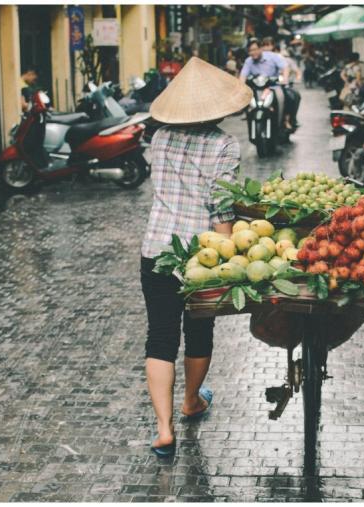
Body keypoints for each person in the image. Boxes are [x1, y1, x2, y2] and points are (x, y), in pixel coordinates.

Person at [142, 57, 251, 457]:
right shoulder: (224, 144)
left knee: (160, 335)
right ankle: (191, 401)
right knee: (199, 331)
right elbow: (220, 207)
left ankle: (163, 429)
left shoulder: (159, 138)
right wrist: (229, 259)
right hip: (200, 255)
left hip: (156, 249)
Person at [240, 38, 292, 130]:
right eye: (250, 51)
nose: (253, 52)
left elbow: (285, 67)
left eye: (255, 49)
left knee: (282, 97)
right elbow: (243, 76)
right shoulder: (248, 61)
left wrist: (285, 79)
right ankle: (248, 116)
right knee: (245, 98)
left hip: (273, 87)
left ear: (260, 49)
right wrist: (240, 86)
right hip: (256, 89)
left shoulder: (273, 57)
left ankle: (283, 120)